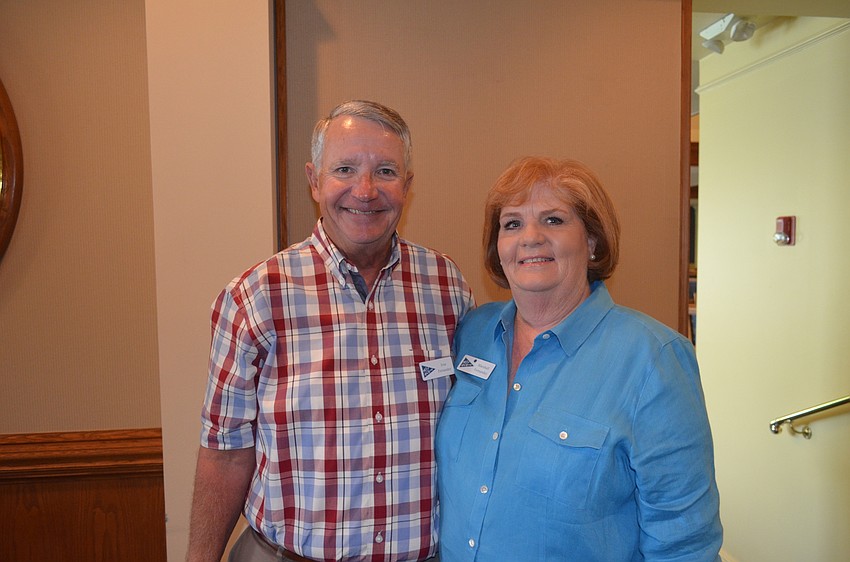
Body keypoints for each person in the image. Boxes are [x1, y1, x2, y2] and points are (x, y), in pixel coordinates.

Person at [187, 100, 475, 562]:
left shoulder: (446, 287)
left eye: (385, 171)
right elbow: (224, 453)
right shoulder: (256, 297)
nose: (365, 191)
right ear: (314, 180)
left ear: (408, 186)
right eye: (344, 169)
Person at [435, 157, 722, 561]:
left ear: (592, 242)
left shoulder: (653, 359)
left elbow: (684, 543)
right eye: (512, 223)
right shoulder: (473, 333)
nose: (530, 237)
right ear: (497, 247)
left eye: (553, 220)